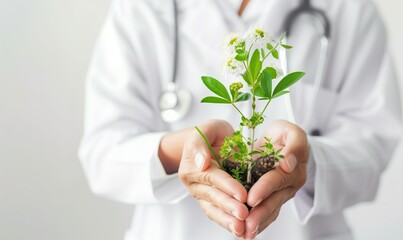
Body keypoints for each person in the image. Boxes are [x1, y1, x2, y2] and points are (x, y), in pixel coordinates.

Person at [78, 0, 402, 239]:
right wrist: (185, 150)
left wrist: (309, 161)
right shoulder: (142, 9)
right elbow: (102, 153)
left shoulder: (347, 9)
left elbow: (372, 147)